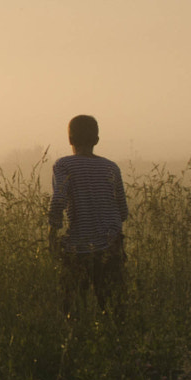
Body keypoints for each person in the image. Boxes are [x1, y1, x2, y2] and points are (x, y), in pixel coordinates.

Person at [48, 114, 128, 313]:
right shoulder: (112, 167)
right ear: (97, 140)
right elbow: (123, 211)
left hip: (78, 248)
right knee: (112, 306)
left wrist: (52, 235)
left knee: (73, 307)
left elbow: (58, 200)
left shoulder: (64, 165)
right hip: (111, 246)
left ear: (70, 140)